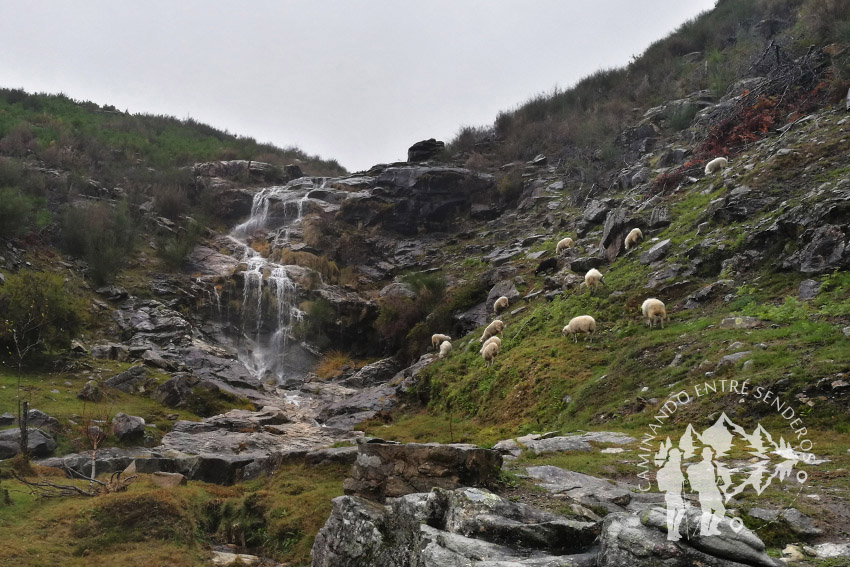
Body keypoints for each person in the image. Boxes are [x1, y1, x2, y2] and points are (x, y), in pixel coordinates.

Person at [686, 446, 726, 535]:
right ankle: (705, 530)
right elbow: (706, 480)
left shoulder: (709, 465)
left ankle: (711, 528)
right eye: (707, 454)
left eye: (710, 454)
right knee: (708, 511)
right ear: (703, 455)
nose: (710, 455)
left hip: (710, 491)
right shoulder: (702, 466)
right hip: (705, 492)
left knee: (718, 510)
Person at [657, 447, 686, 541]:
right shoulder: (670, 467)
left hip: (676, 494)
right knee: (673, 513)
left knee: (678, 512)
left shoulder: (676, 467)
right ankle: (671, 533)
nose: (680, 458)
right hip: (672, 494)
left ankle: (674, 531)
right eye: (678, 456)